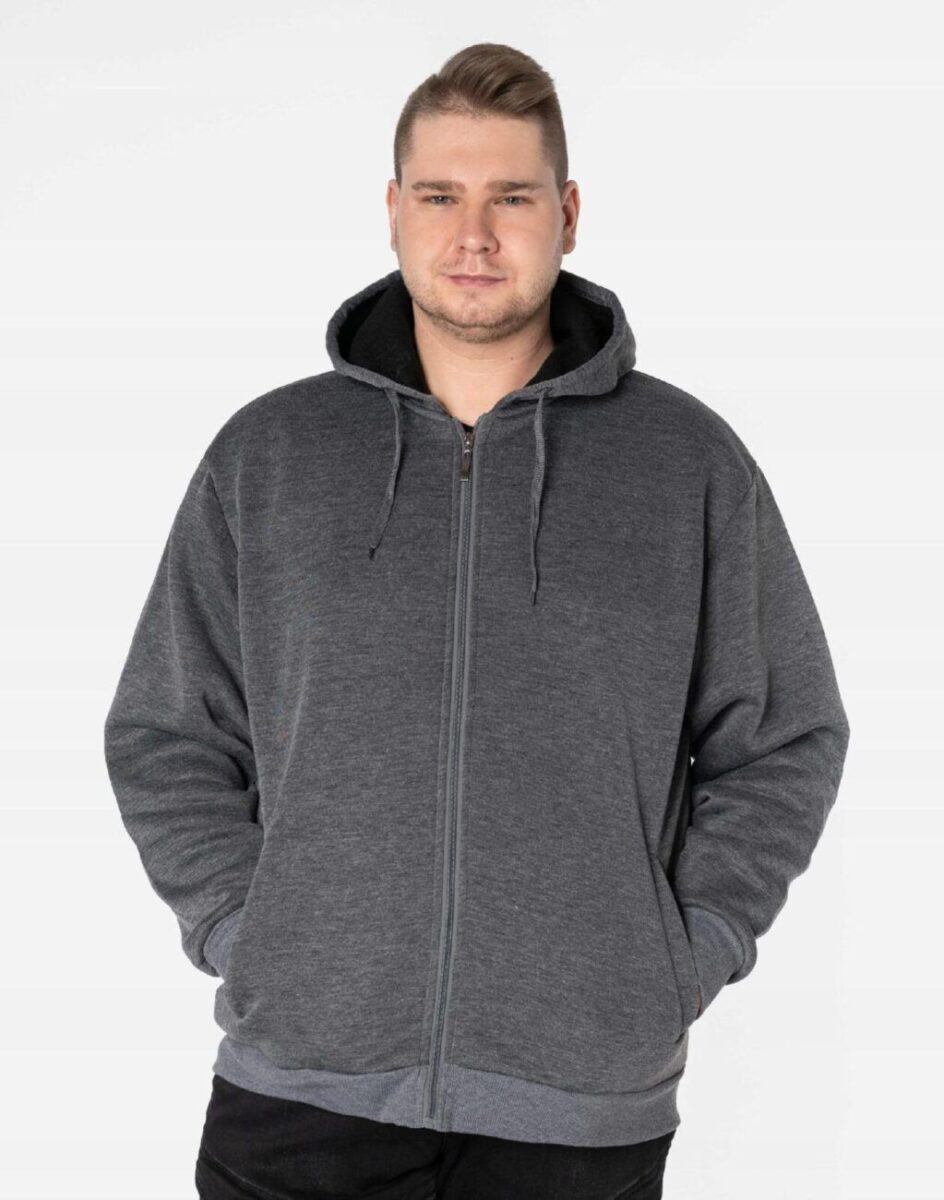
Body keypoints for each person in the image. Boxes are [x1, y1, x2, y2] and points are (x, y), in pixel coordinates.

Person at [103, 42, 851, 1200]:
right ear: (392, 211)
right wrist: (250, 935)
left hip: (577, 1107)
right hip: (299, 1092)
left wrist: (683, 950)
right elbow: (168, 732)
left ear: (566, 215)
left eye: (510, 197)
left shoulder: (684, 464)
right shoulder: (270, 456)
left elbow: (781, 738)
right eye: (439, 196)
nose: (473, 235)